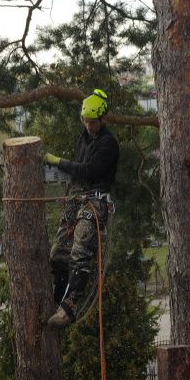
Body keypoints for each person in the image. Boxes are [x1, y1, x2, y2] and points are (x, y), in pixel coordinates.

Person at [43, 88, 119, 328]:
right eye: (86, 121)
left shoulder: (108, 144)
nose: (89, 125)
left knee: (79, 253)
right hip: (76, 197)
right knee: (57, 253)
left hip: (95, 202)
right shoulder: (84, 138)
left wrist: (59, 162)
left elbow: (87, 171)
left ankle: (70, 306)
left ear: (103, 119)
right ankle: (55, 299)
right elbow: (79, 174)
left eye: (93, 122)